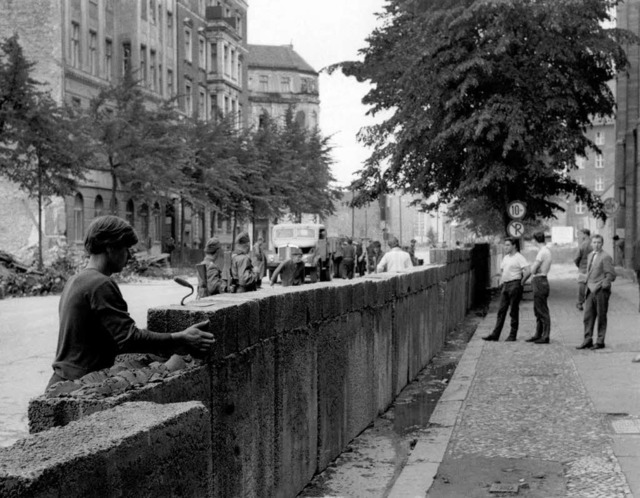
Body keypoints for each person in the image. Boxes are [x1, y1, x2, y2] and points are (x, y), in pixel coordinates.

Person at [48, 216, 214, 388]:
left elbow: (111, 338)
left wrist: (165, 344)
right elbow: (128, 338)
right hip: (80, 385)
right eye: (126, 249)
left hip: (61, 380)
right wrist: (181, 338)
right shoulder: (101, 284)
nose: (129, 256)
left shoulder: (76, 280)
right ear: (110, 247)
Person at [482, 237, 530, 342]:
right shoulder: (506, 258)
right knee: (501, 311)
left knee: (513, 310)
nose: (506, 247)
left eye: (508, 245)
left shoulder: (519, 257)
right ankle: (495, 334)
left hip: (515, 284)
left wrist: (522, 282)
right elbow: (503, 270)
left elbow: (528, 270)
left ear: (514, 246)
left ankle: (512, 335)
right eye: (505, 245)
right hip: (505, 285)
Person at [576, 234, 616, 350]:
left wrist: (604, 285)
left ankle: (600, 341)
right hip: (590, 289)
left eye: (598, 242)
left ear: (602, 244)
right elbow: (589, 272)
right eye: (594, 242)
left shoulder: (606, 257)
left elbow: (611, 275)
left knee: (601, 316)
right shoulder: (590, 255)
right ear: (591, 244)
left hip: (600, 291)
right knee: (588, 316)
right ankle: (587, 340)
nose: (596, 245)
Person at [524, 232, 552, 344]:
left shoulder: (542, 252)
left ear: (535, 240)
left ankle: (545, 336)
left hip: (539, 280)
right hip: (542, 280)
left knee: (542, 310)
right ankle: (538, 334)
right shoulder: (546, 251)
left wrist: (524, 279)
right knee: (538, 309)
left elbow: (533, 270)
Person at [574, 228, 591, 311]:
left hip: (583, 268)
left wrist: (579, 265)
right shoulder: (595, 243)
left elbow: (576, 258)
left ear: (585, 234)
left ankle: (580, 302)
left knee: (582, 285)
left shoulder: (582, 245)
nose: (579, 236)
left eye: (580, 234)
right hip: (593, 268)